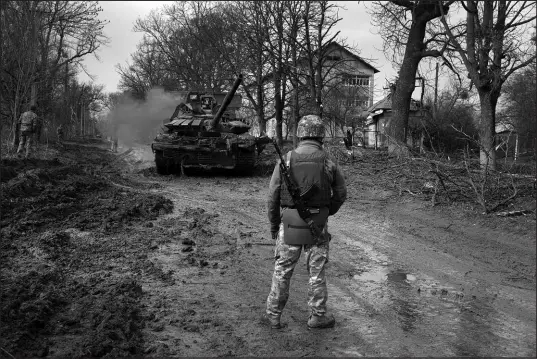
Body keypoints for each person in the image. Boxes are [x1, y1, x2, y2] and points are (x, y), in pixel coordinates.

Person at [264, 114, 347, 330]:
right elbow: (340, 194)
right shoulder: (329, 162)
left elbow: (272, 196)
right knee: (316, 273)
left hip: (289, 224)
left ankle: (273, 315)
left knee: (282, 271)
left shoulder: (287, 159)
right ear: (321, 135)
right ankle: (318, 316)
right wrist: (327, 213)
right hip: (317, 225)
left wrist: (274, 225)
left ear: (300, 134)